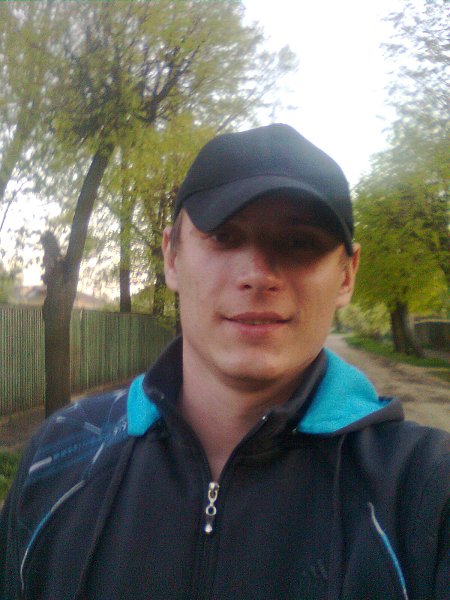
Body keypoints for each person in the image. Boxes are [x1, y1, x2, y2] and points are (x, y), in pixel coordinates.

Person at [1, 124, 448, 599]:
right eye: (225, 236)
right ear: (172, 257)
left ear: (346, 275)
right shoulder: (56, 457)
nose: (258, 275)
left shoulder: (426, 493)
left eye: (299, 243)